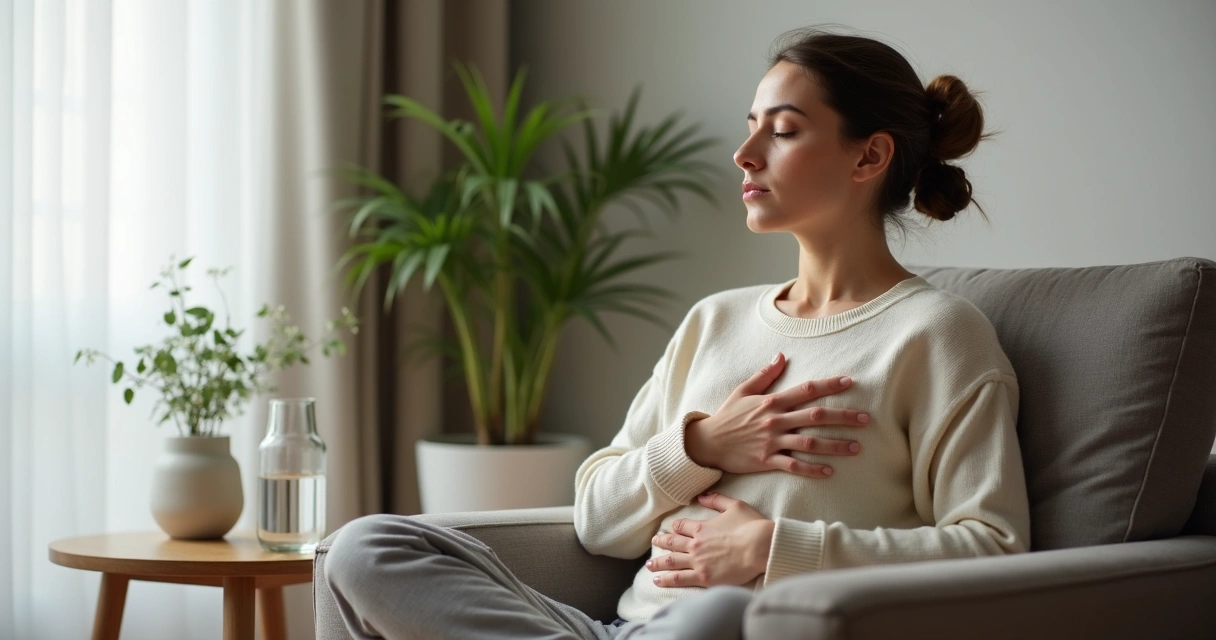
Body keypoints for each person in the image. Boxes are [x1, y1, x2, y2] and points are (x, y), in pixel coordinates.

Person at [324, 24, 1032, 640]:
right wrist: (700, 445)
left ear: (869, 157)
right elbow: (598, 520)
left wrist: (774, 548)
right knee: (365, 547)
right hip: (616, 628)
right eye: (751, 124)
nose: (745, 152)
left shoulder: (937, 334)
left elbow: (995, 549)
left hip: (729, 628)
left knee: (720, 616)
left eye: (783, 130)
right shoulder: (715, 319)